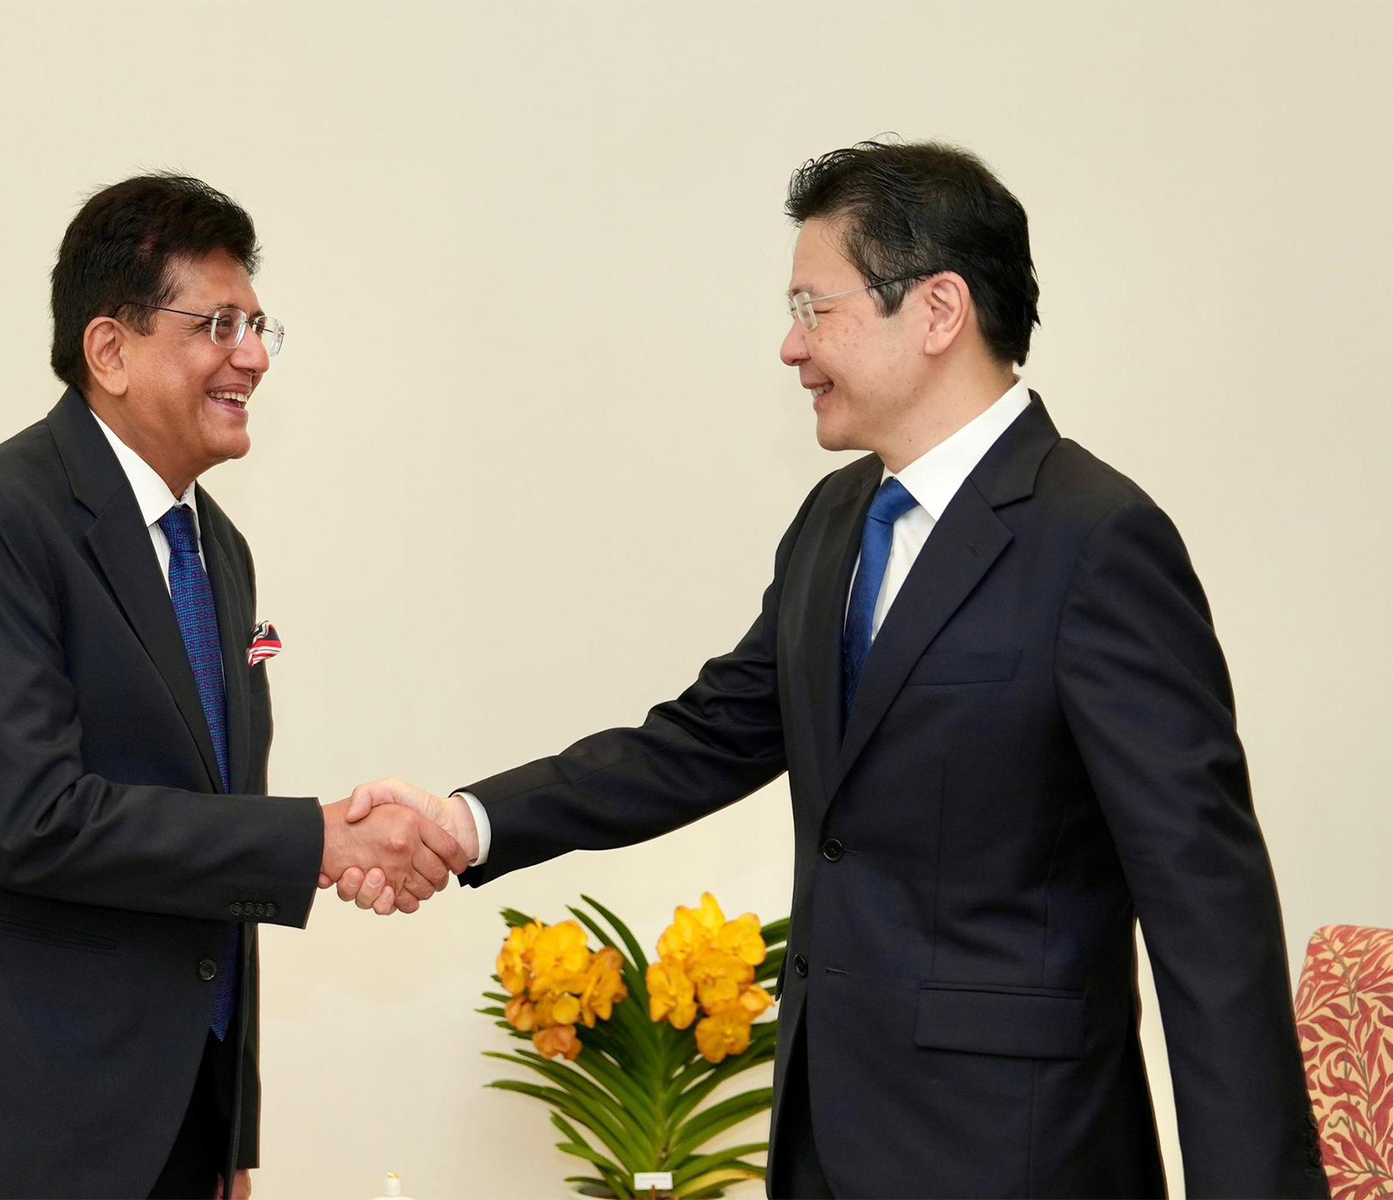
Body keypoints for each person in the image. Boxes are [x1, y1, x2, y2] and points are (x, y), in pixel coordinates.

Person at [341, 142, 1328, 1196]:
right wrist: (467, 821)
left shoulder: (1096, 539)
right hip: (824, 1136)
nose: (788, 347)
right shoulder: (836, 520)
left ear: (938, 310)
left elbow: (1205, 909)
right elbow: (707, 735)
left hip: (1018, 1151)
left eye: (815, 310)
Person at [0, 174, 466, 1200]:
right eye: (218, 323)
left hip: (168, 1128)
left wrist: (226, 1134)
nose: (252, 356)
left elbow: (205, 833)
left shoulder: (217, 548)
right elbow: (34, 818)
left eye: (258, 324)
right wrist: (319, 838)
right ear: (110, 350)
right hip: (10, 1133)